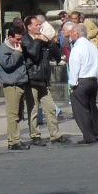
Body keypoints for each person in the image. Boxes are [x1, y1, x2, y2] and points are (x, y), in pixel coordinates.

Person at [22, 14, 66, 144]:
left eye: (40, 24)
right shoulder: (25, 40)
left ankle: (55, 135)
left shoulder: (42, 38)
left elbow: (57, 55)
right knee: (34, 110)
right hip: (31, 79)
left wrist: (49, 42)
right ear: (29, 27)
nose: (39, 27)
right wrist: (37, 40)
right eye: (36, 25)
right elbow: (34, 55)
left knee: (51, 108)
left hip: (43, 79)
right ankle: (35, 135)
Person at [63, 21, 98, 143]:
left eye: (72, 33)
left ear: (77, 33)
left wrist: (72, 84)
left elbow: (74, 68)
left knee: (81, 110)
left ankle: (89, 136)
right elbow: (97, 62)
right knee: (92, 107)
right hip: (93, 80)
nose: (70, 35)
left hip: (81, 81)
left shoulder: (77, 48)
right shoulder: (92, 46)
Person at [0, 22, 31, 152]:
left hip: (21, 83)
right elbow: (7, 65)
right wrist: (16, 53)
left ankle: (14, 139)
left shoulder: (18, 46)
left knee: (19, 113)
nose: (19, 41)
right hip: (12, 85)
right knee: (13, 114)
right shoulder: (3, 49)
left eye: (21, 38)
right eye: (17, 39)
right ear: (10, 37)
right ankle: (14, 141)